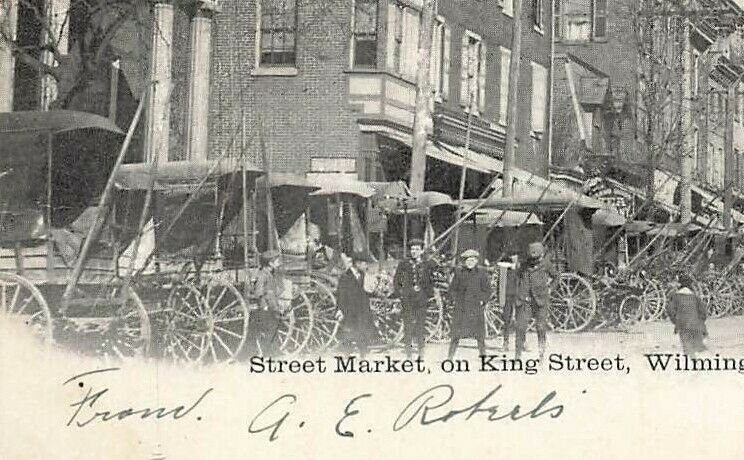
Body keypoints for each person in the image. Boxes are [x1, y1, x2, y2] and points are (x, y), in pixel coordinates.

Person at [393, 238, 434, 358]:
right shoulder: (404, 264)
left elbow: (431, 281)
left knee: (421, 325)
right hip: (408, 299)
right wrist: (400, 293)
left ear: (421, 251)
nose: (414, 251)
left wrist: (427, 294)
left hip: (421, 299)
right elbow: (397, 280)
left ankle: (421, 351)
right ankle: (408, 353)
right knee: (408, 326)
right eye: (412, 249)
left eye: (417, 249)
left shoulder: (427, 264)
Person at [515, 242, 557, 359]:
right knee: (520, 327)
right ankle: (517, 356)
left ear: (541, 255)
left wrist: (550, 289)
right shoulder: (524, 265)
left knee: (540, 327)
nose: (534, 260)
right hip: (525, 301)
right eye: (532, 257)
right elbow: (516, 278)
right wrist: (519, 292)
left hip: (540, 300)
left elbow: (556, 276)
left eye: (537, 257)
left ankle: (541, 354)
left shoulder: (546, 264)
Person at [448, 249, 492, 359]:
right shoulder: (459, 273)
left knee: (480, 335)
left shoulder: (482, 273)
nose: (470, 262)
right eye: (468, 260)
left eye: (472, 260)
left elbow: (487, 290)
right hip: (461, 307)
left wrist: (483, 300)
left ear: (476, 261)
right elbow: (452, 289)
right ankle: (450, 357)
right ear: (464, 261)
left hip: (476, 308)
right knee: (456, 334)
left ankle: (483, 356)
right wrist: (454, 300)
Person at [336, 251, 377, 356]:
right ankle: (347, 356)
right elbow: (341, 295)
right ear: (357, 263)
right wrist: (340, 310)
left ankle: (363, 355)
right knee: (349, 334)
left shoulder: (364, 275)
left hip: (362, 311)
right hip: (349, 311)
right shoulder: (345, 277)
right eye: (365, 263)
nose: (366, 266)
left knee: (363, 333)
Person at [253, 249, 287, 357]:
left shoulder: (269, 273)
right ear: (270, 263)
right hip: (266, 307)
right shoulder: (262, 275)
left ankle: (275, 350)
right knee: (269, 330)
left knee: (274, 328)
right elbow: (259, 292)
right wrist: (265, 306)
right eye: (276, 261)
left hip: (272, 305)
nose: (278, 263)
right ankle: (269, 353)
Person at [666, 274, 708, 356]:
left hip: (683, 325)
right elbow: (703, 313)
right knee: (698, 349)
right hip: (697, 326)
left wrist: (676, 321)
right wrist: (699, 322)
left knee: (687, 349)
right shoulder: (695, 297)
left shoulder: (675, 296)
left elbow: (670, 311)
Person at [500, 253, 520, 352]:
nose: (514, 258)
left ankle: (522, 342)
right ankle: (505, 342)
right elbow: (500, 285)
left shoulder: (521, 269)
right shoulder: (504, 270)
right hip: (507, 296)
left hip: (519, 296)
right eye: (512, 256)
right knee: (507, 319)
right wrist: (501, 300)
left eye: (515, 256)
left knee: (521, 320)